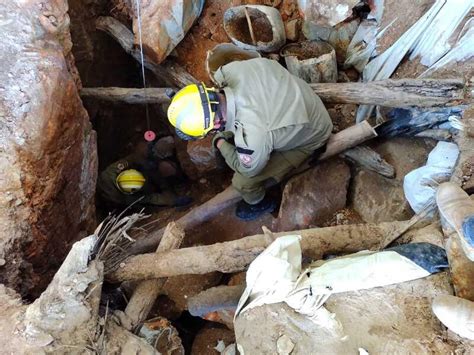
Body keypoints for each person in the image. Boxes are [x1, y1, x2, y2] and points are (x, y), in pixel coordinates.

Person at [167, 58, 333, 220]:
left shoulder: (253, 138)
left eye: (208, 131)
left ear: (215, 122)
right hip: (298, 97)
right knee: (233, 132)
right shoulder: (230, 71)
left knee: (242, 182)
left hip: (313, 132)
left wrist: (220, 142)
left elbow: (247, 169)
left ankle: (260, 204)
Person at [97, 138, 192, 210]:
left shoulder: (111, 172)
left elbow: (130, 159)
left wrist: (142, 157)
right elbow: (152, 199)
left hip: (141, 176)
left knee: (157, 165)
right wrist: (172, 200)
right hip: (116, 199)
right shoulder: (128, 198)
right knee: (166, 169)